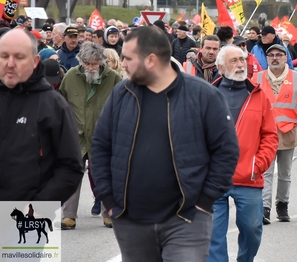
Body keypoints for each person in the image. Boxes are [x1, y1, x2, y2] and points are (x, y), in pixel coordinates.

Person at [91, 26, 239, 262]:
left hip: (187, 219)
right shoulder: (122, 93)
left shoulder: (203, 96)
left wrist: (204, 201)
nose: (123, 64)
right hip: (131, 220)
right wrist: (108, 200)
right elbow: (100, 146)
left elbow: (227, 150)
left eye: (128, 58)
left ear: (150, 60)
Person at [209, 45, 278, 262]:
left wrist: (257, 165)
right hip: (213, 179)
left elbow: (270, 136)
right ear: (221, 67)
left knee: (252, 230)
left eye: (242, 60)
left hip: (248, 177)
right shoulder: (207, 95)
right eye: (234, 61)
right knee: (212, 236)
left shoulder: (259, 96)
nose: (240, 65)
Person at [0, 29, 83, 202]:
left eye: (19, 57)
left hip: (30, 217)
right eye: (4, 56)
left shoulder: (53, 105)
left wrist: (39, 208)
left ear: (35, 61)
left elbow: (71, 167)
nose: (10, 63)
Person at [59, 42, 122, 230]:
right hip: (75, 135)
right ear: (81, 61)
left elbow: (122, 107)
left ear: (102, 62)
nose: (91, 67)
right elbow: (61, 103)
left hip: (102, 136)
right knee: (72, 175)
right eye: (87, 63)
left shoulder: (114, 78)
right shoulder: (71, 76)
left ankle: (108, 213)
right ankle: (68, 216)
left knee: (104, 176)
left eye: (94, 64)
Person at [255, 44, 297, 224]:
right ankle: (264, 209)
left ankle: (282, 205)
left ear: (286, 58)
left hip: (287, 133)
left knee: (285, 173)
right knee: (265, 173)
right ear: (267, 58)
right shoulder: (257, 78)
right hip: (264, 136)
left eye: (278, 55)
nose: (275, 58)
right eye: (271, 55)